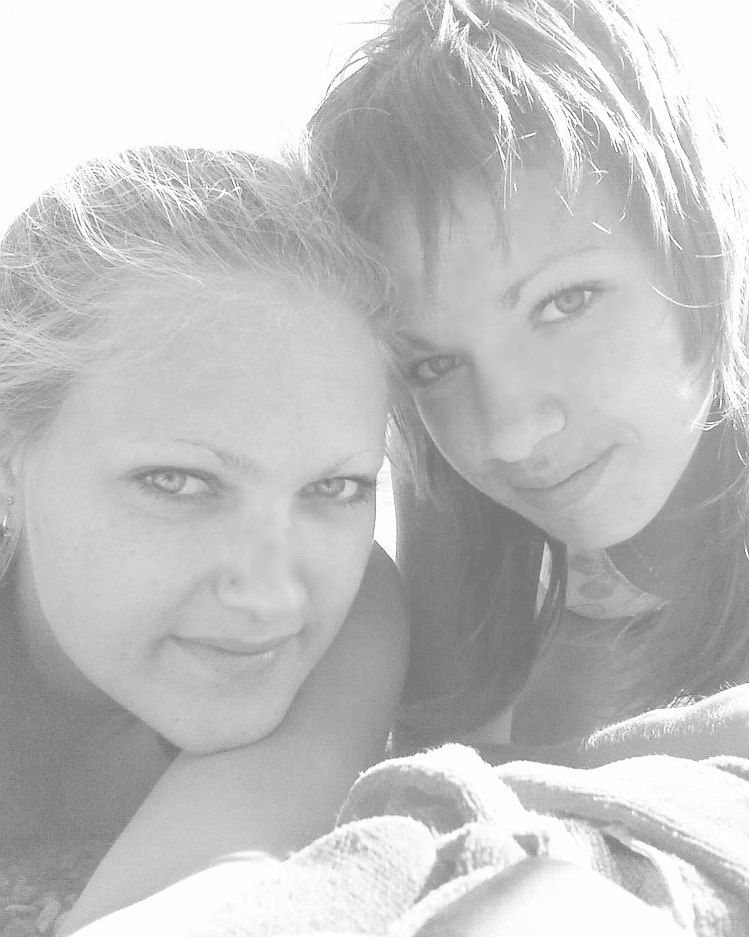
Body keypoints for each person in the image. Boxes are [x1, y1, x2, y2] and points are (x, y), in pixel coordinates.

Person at [308, 0, 749, 757]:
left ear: (701, 241)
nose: (509, 433)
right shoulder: (448, 477)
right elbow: (441, 749)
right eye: (435, 364)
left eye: (564, 302)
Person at [0, 146, 407, 937]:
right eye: (178, 482)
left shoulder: (351, 618)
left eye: (334, 488)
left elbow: (190, 901)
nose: (271, 597)